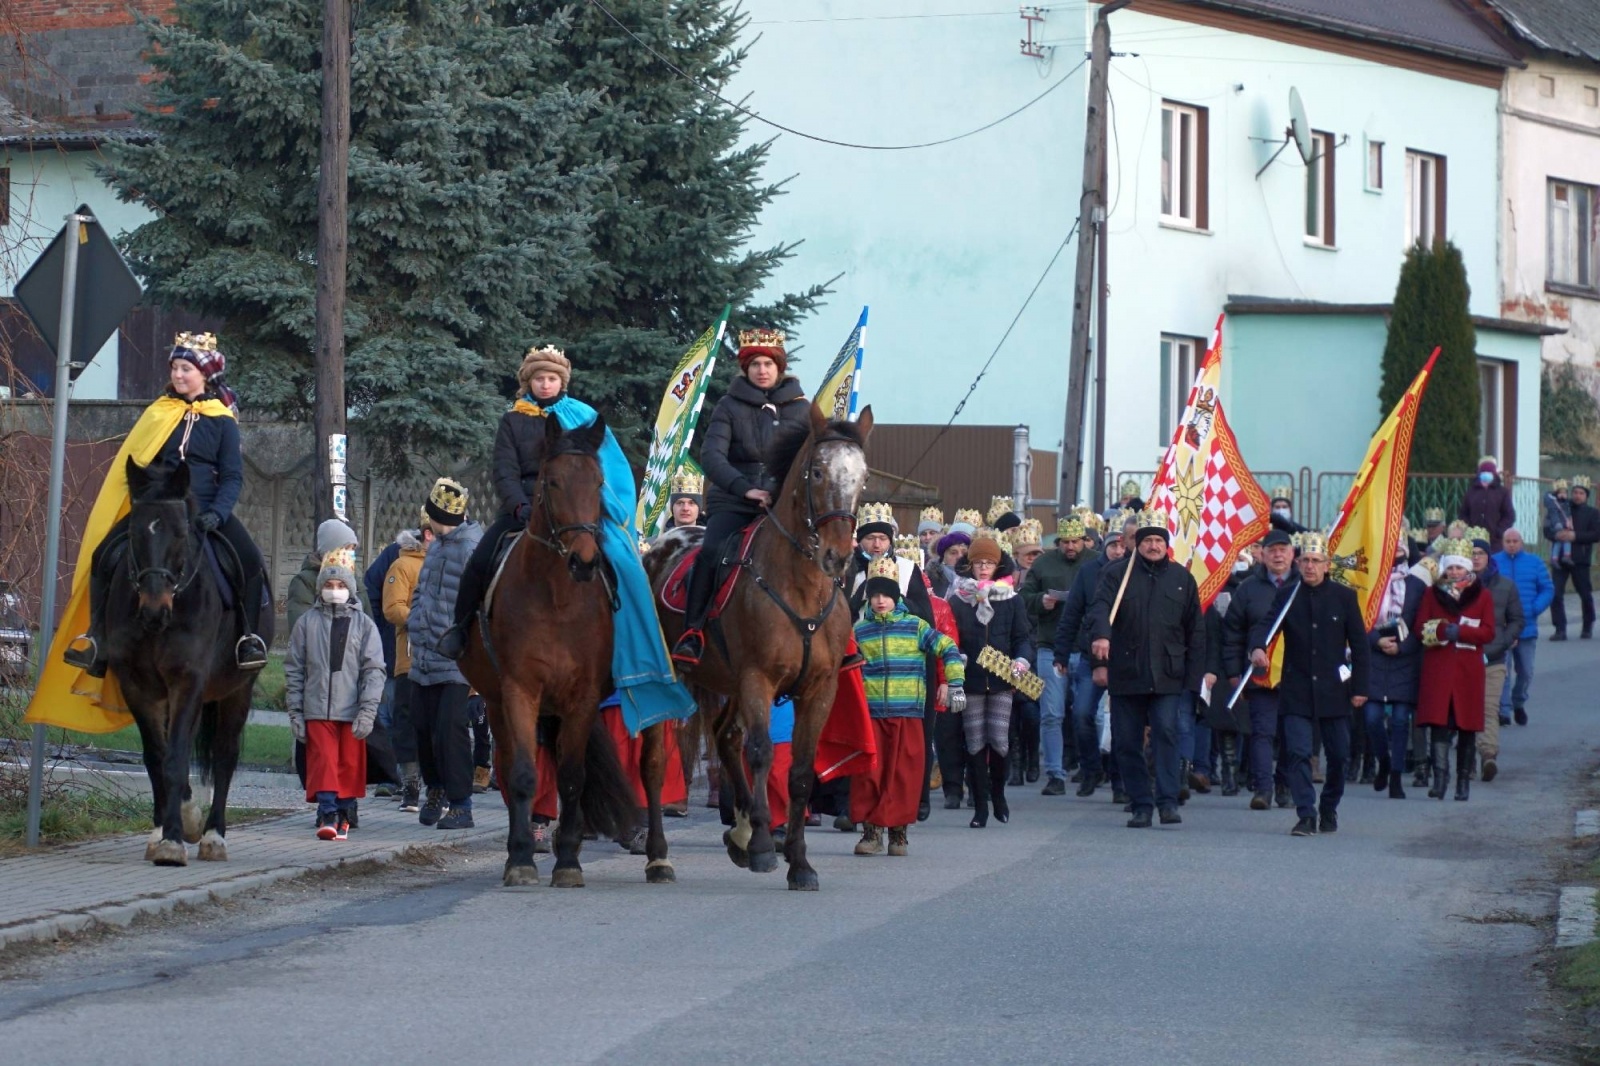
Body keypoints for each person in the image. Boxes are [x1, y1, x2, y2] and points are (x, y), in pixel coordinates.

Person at [62, 332, 268, 677]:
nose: (177, 374)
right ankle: (97, 639)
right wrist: (144, 502)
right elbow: (140, 462)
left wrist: (218, 513)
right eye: (174, 367)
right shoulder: (159, 413)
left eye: (186, 368)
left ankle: (247, 639)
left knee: (249, 561)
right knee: (103, 555)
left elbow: (232, 476)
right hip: (157, 511)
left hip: (205, 513)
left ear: (205, 373)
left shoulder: (223, 421)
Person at [672, 329, 810, 666]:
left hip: (783, 504)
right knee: (712, 552)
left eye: (768, 363)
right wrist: (745, 488)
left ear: (780, 367)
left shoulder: (802, 409)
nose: (762, 370)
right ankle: (693, 632)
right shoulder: (728, 406)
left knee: (822, 555)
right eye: (755, 364)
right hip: (734, 501)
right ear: (745, 369)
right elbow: (712, 456)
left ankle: (842, 639)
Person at [439, 344, 568, 658]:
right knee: (479, 561)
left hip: (566, 511)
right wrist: (519, 506)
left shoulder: (575, 418)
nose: (546, 384)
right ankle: (461, 627)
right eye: (540, 378)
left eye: (552, 378)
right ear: (529, 382)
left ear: (561, 382)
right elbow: (504, 470)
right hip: (521, 507)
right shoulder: (512, 421)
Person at [1089, 511, 1204, 829]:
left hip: (1168, 674)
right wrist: (1101, 638)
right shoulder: (1116, 574)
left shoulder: (1182, 579)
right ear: (1137, 544)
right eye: (1148, 540)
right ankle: (1140, 803)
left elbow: (1196, 631)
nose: (1154, 546)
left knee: (1167, 734)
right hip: (1127, 671)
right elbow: (1099, 608)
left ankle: (1167, 801)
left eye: (1159, 540)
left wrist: (1195, 678)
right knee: (1126, 741)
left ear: (1167, 545)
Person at [1251, 533, 1369, 836]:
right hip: (1297, 687)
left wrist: (1360, 688)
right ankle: (1306, 813)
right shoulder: (1288, 594)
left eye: (1316, 561)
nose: (1310, 566)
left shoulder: (1344, 597)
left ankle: (1329, 806)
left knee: (1339, 755)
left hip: (1334, 689)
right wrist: (1257, 647)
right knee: (1298, 753)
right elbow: (1266, 626)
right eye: (1305, 560)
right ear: (1297, 562)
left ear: (1327, 565)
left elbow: (1359, 644)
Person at [853, 556, 966, 856]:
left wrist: (954, 683)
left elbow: (949, 647)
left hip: (909, 713)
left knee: (903, 775)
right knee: (870, 775)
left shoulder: (916, 627)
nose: (880, 601)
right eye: (874, 595)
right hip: (872, 713)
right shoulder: (860, 632)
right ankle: (870, 833)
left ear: (897, 597)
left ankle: (898, 835)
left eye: (886, 595)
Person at [284, 549, 386, 840]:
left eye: (340, 586)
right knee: (324, 761)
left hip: (352, 709)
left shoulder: (364, 625)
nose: (334, 591)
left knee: (349, 765)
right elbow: (294, 668)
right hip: (316, 709)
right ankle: (327, 811)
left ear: (350, 588)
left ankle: (345, 809)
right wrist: (296, 711)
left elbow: (374, 669)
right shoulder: (307, 623)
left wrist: (368, 711)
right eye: (328, 586)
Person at [408, 477, 483, 829]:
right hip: (423, 654)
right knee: (422, 729)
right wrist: (415, 619)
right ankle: (435, 789)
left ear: (441, 516)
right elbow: (422, 591)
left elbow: (478, 603)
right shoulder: (436, 546)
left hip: (454, 659)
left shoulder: (470, 549)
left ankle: (461, 803)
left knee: (450, 731)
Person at [945, 532, 1033, 828]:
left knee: (999, 741)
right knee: (974, 743)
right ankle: (980, 806)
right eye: (978, 562)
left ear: (998, 566)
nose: (983, 568)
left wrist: (1021, 661)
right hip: (969, 680)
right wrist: (955, 657)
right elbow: (949, 637)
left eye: (989, 563)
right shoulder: (958, 600)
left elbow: (1023, 638)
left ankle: (999, 796)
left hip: (1002, 680)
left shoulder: (1012, 600)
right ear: (970, 565)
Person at [1055, 512, 1130, 798]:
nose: (1118, 551)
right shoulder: (1088, 573)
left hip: (1125, 657)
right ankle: (1090, 769)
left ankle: (1121, 780)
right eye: (1114, 545)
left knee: (1123, 721)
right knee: (1082, 713)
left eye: (1123, 546)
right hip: (1090, 657)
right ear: (1104, 546)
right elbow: (1072, 614)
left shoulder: (1133, 572)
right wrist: (1061, 652)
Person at [1223, 529, 1298, 811]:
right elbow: (1232, 633)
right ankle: (1263, 789)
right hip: (1259, 674)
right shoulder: (1248, 589)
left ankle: (1284, 785)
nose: (1278, 555)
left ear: (1292, 554)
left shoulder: (1305, 586)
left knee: (1292, 734)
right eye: (1272, 550)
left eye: (1283, 549)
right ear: (1263, 555)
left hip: (1297, 674)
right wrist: (1233, 671)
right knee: (1262, 732)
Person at [1416, 537, 1496, 802]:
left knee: (1466, 726)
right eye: (1450, 568)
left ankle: (1463, 781)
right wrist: (1441, 630)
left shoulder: (1481, 595)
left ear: (1468, 569)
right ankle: (1440, 777)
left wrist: (1460, 631)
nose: (1454, 573)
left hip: (1468, 670)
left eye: (1459, 568)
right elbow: (1420, 627)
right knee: (1438, 723)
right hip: (1438, 666)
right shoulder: (1432, 593)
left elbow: (1488, 631)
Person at [1025, 516, 1093, 795]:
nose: (1070, 546)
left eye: (1075, 541)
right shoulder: (1043, 564)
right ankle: (1055, 774)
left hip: (1087, 649)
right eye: (1065, 542)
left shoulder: (1096, 563)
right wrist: (1041, 601)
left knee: (1087, 714)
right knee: (1051, 713)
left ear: (1084, 541)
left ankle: (1091, 768)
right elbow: (1023, 597)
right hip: (1050, 648)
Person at [1364, 540, 1425, 800]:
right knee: (1371, 717)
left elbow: (1423, 624)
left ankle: (1396, 776)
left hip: (1404, 658)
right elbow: (1358, 618)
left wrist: (1402, 648)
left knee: (1401, 720)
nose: (1395, 552)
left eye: (1400, 548)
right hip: (1374, 656)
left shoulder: (1417, 585)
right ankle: (1384, 761)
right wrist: (1375, 640)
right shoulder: (1370, 583)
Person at [382, 519, 432, 812]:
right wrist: (423, 620)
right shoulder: (402, 566)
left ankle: (438, 786)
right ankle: (411, 785)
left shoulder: (448, 563)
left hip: (442, 660)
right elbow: (393, 607)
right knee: (406, 723)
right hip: (410, 660)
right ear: (427, 534)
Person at [1470, 530, 1523, 783]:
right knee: (1464, 709)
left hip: (1494, 658)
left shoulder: (1505, 586)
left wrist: (1503, 641)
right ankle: (1466, 757)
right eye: (1472, 554)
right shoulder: (1460, 585)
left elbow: (1516, 620)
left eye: (1480, 553)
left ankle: (1488, 755)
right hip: (1465, 657)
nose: (1476, 558)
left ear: (1488, 557)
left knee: (1488, 709)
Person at [1202, 557, 1253, 797]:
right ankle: (1227, 772)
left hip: (1243, 660)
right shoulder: (1205, 591)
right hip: (1215, 662)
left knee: (1245, 719)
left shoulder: (1244, 588)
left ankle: (1245, 770)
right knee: (1224, 720)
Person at [1493, 529, 1553, 727]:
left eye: (1515, 541)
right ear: (1502, 543)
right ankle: (1503, 710)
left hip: (1527, 627)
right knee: (1503, 671)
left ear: (1521, 542)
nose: (1511, 544)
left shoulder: (1535, 562)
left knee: (1526, 670)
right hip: (1501, 628)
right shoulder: (1494, 563)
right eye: (1508, 541)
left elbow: (1547, 588)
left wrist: (1536, 607)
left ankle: (1519, 701)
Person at [287, 518, 362, 635]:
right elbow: (300, 628)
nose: (351, 554)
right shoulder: (304, 582)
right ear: (331, 550)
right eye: (347, 548)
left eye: (353, 549)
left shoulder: (356, 581)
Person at [1549, 476, 1598, 640]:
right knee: (1555, 593)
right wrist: (1557, 534)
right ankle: (1560, 629)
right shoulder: (1562, 507)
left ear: (1586, 496)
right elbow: (1547, 528)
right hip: (1560, 558)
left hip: (1580, 559)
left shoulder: (1593, 513)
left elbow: (1596, 534)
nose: (1577, 495)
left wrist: (1575, 536)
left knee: (1585, 594)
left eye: (1581, 493)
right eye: (1575, 492)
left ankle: (1587, 626)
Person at [1459, 456, 1515, 552]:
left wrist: (1499, 531)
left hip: (1495, 542)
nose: (1486, 475)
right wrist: (1469, 529)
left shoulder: (1502, 492)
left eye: (1489, 472)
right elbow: (1463, 513)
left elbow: (1509, 515)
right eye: (1484, 472)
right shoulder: (1471, 492)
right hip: (1473, 540)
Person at [929, 531, 969, 599]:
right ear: (943, 556)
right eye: (953, 553)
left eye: (964, 552)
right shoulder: (930, 578)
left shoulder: (974, 578)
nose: (960, 556)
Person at [1544, 480, 1573, 570]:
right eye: (1560, 493)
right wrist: (1558, 524)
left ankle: (1566, 555)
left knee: (1567, 540)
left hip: (1565, 525)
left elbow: (1568, 513)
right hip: (1557, 526)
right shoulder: (1554, 503)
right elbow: (1554, 515)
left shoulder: (1567, 503)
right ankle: (1554, 559)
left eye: (1564, 493)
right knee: (1558, 542)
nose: (1563, 495)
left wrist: (1569, 522)